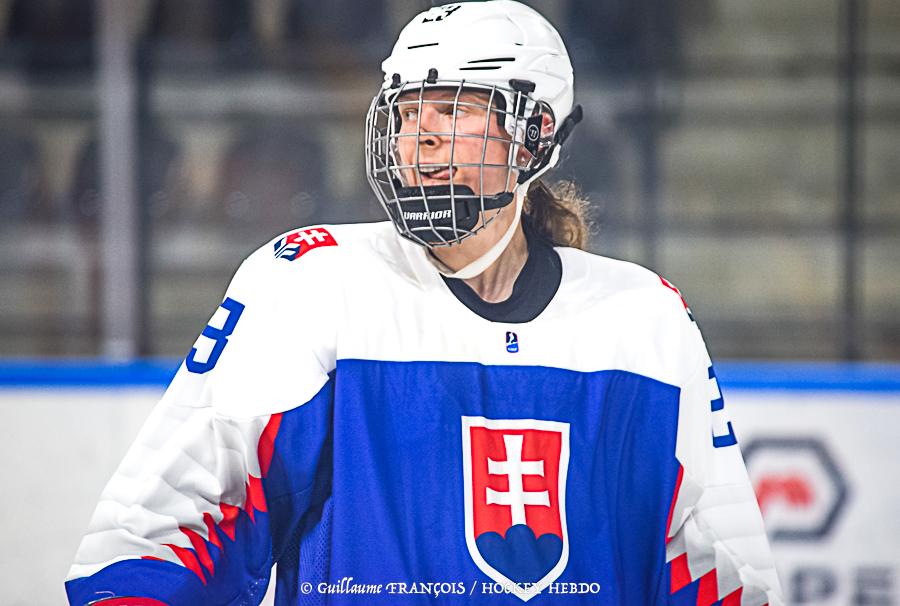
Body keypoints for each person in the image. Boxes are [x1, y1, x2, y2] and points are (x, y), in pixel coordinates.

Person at [66, 2, 783, 604]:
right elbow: (158, 530)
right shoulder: (312, 285)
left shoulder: (647, 322)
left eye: (455, 108)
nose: (423, 134)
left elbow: (724, 575)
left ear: (535, 135)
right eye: (407, 111)